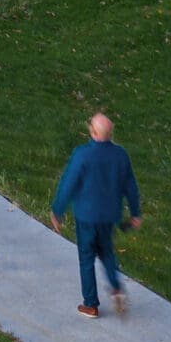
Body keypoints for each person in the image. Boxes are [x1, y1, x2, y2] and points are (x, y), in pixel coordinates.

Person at [49, 112, 141, 318]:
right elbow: (131, 186)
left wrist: (58, 210)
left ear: (92, 131)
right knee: (106, 252)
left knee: (86, 257)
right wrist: (135, 213)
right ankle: (116, 288)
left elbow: (69, 184)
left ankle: (90, 304)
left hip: (86, 216)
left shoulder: (82, 155)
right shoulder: (120, 155)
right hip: (109, 216)